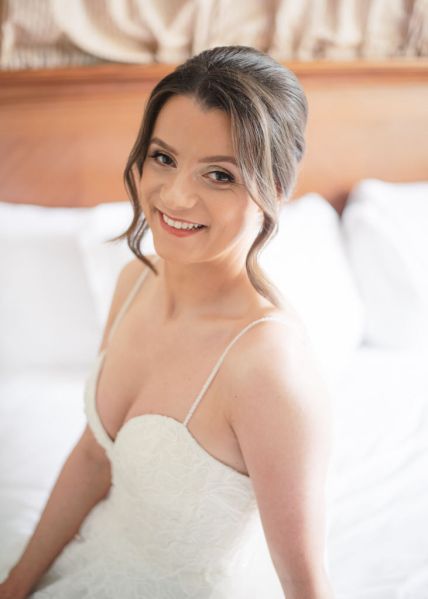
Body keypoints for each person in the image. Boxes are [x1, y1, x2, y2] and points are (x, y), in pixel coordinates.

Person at [0, 45, 334, 598]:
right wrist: (16, 585)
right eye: (163, 157)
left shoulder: (269, 371)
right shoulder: (135, 282)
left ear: (274, 191)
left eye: (220, 175)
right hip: (98, 560)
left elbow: (306, 585)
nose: (176, 195)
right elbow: (93, 455)